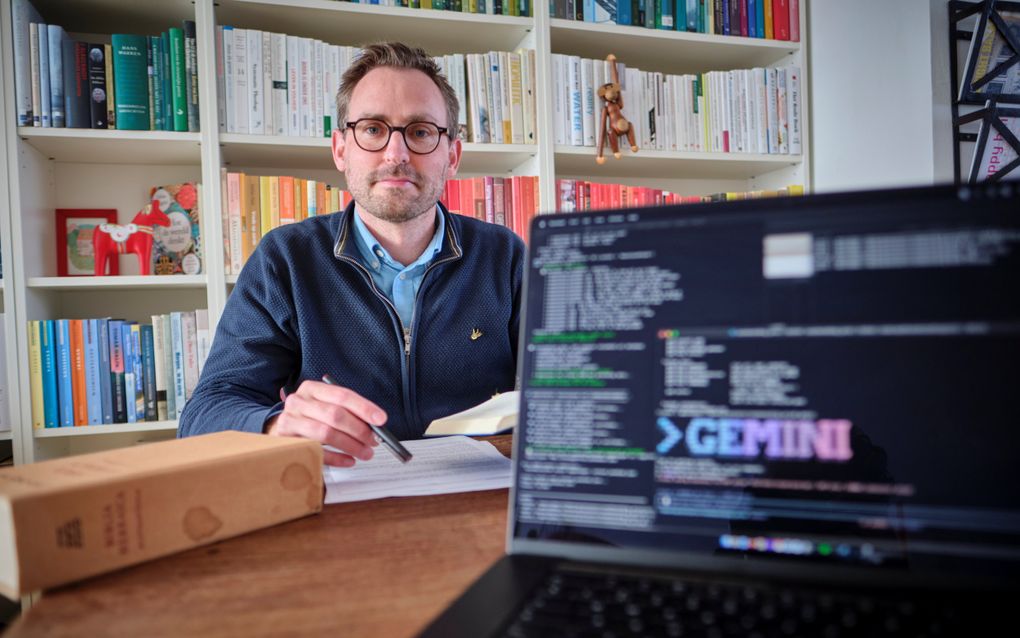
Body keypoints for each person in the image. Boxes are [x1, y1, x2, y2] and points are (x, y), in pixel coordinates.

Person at [178, 42, 525, 467]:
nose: (396, 154)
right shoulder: (285, 260)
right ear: (340, 149)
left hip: (481, 492)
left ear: (452, 156)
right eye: (373, 129)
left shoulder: (505, 257)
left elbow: (569, 386)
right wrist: (274, 425)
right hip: (343, 496)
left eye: (420, 132)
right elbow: (205, 412)